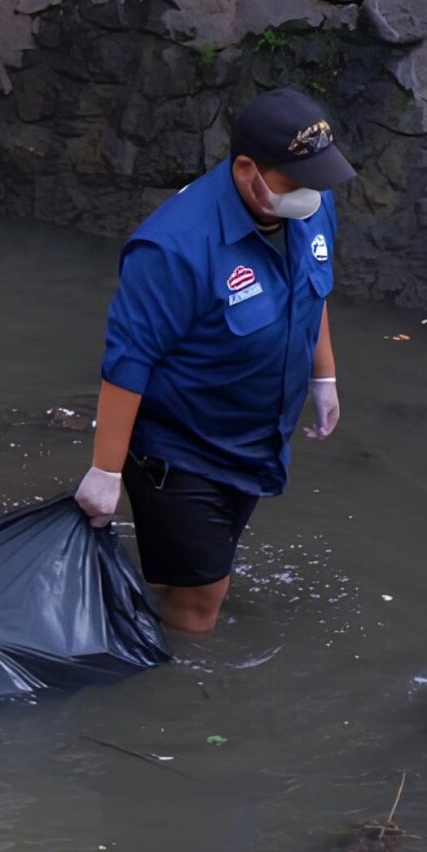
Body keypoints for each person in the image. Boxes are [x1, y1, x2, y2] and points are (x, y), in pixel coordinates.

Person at [75, 89, 352, 634]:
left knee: (189, 571)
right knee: (205, 594)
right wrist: (105, 471)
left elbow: (310, 292)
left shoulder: (312, 203)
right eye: (297, 181)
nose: (312, 194)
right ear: (248, 169)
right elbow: (128, 362)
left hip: (255, 439)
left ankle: (168, 592)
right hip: (181, 447)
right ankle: (175, 689)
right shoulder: (173, 247)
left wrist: (325, 376)